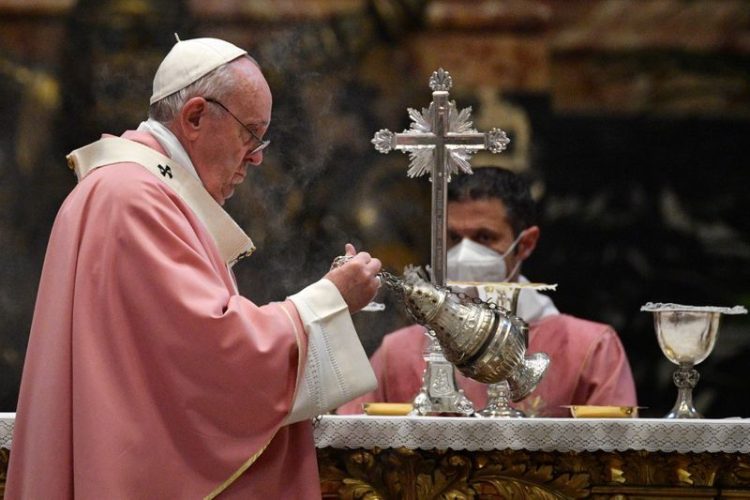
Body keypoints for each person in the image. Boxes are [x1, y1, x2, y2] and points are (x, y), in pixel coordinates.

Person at [6, 37, 382, 499]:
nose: (258, 155)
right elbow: (215, 355)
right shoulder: (133, 198)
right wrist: (329, 300)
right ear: (196, 117)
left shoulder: (133, 190)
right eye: (251, 133)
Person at [338, 167, 636, 417]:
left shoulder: (589, 349)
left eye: (484, 237)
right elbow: (349, 446)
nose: (465, 252)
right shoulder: (398, 352)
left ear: (525, 244)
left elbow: (618, 465)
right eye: (454, 237)